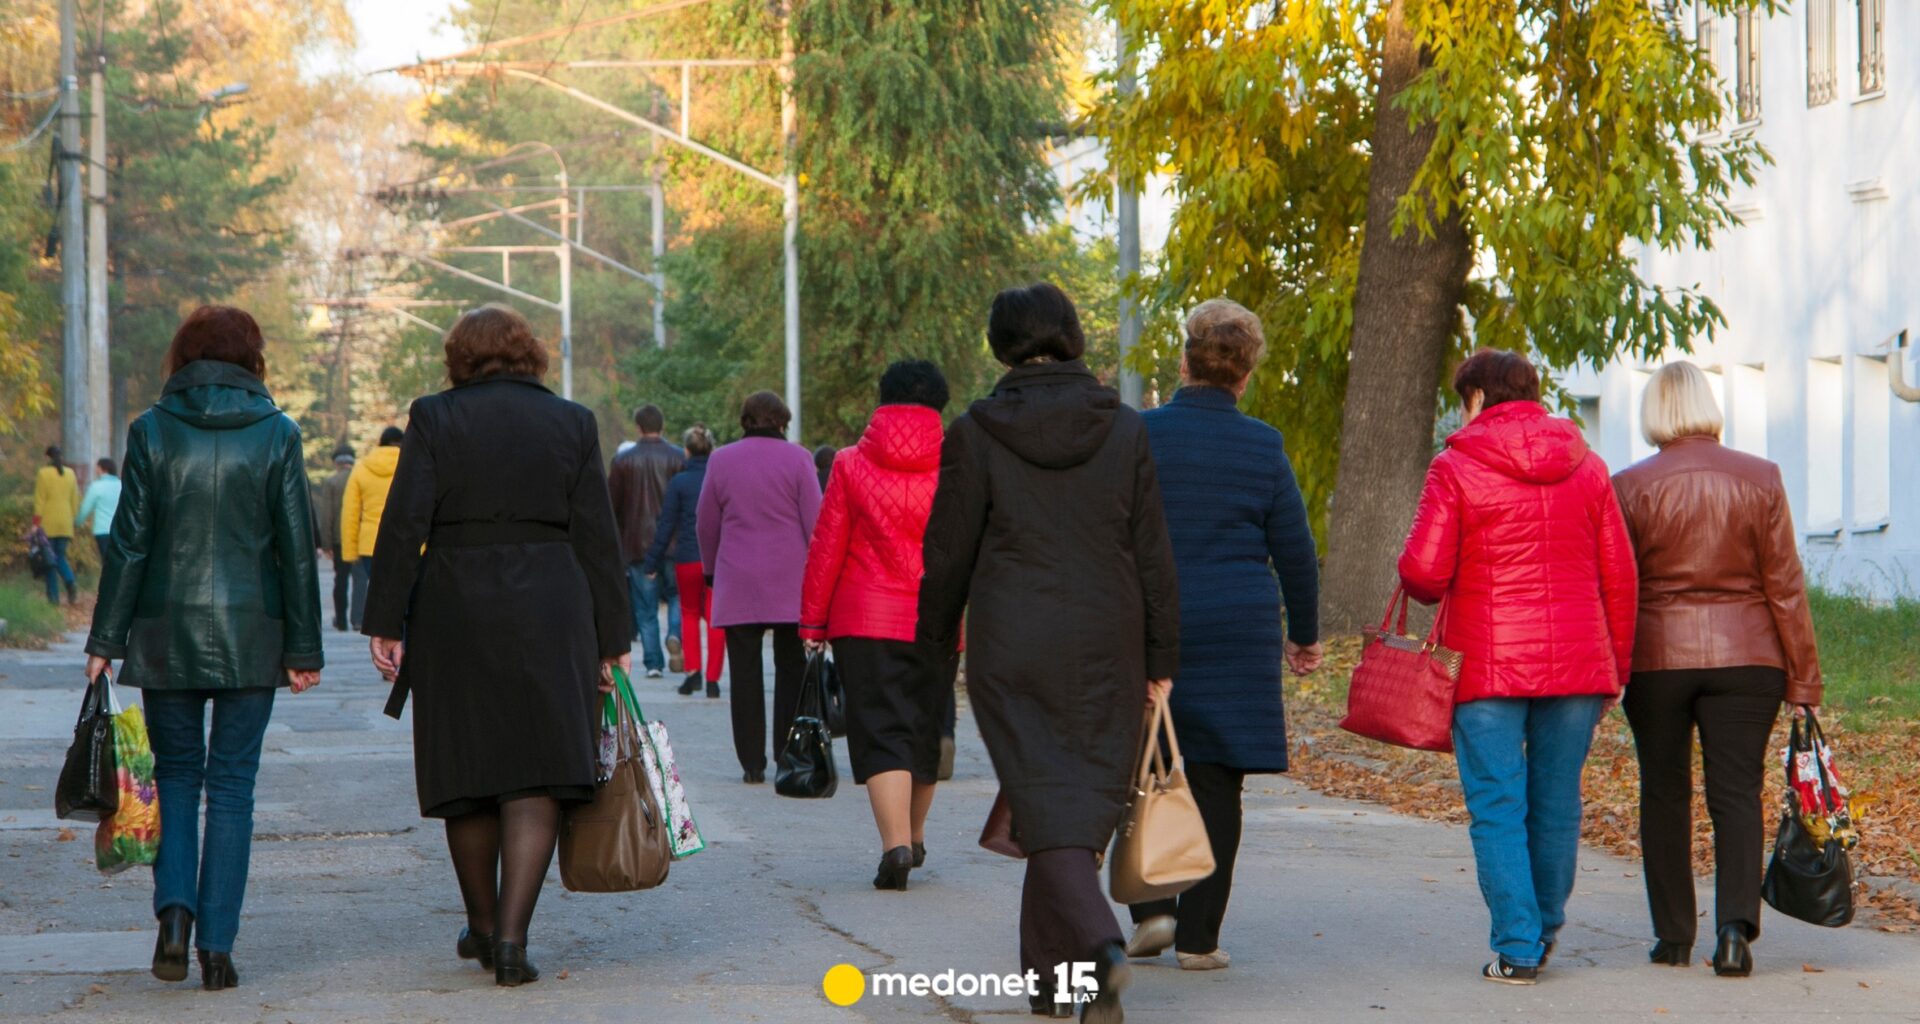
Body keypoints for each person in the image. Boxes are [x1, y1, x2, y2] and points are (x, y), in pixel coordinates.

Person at [917, 282, 1179, 1022]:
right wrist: (1161, 657)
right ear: (1070, 334)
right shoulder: (1124, 428)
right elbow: (1153, 555)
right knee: (1068, 807)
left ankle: (1098, 948)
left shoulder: (975, 432)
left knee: (1045, 804)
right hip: (1109, 641)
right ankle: (1061, 986)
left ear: (1001, 343)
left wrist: (932, 648)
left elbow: (948, 555)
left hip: (1013, 644)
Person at [361, 304, 630, 987]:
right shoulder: (572, 422)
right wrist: (612, 639)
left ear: (460, 357)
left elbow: (404, 523)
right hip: (552, 602)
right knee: (537, 767)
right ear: (528, 353)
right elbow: (598, 538)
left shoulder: (435, 417)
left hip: (456, 603)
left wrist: (385, 620)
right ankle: (512, 939)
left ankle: (482, 926)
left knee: (468, 768)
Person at [81, 305, 324, 991]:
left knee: (178, 778)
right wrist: (303, 648)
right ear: (253, 358)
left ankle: (175, 918)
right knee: (233, 787)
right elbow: (296, 550)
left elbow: (129, 544)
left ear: (182, 357)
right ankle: (217, 949)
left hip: (168, 635)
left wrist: (105, 640)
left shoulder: (152, 430)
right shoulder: (279, 433)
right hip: (252, 634)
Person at [1398, 348, 1637, 985]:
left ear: (1477, 397)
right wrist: (1618, 666)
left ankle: (1518, 945)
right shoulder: (1589, 467)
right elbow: (1620, 575)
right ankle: (1543, 929)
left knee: (1498, 804)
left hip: (1487, 664)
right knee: (1557, 800)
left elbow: (1423, 575)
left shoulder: (1454, 466)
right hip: (1579, 663)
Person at [1123, 298, 1322, 972]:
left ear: (1184, 364)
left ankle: (1152, 909)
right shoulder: (1263, 444)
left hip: (1149, 620)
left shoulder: (1138, 434)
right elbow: (1295, 550)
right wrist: (1305, 634)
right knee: (1216, 781)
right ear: (1245, 375)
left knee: (1145, 764)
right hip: (1236, 626)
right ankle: (1199, 939)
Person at [1612, 361, 1823, 978]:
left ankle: (1673, 936)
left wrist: (1610, 669)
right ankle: (1734, 933)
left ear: (1655, 412)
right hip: (1748, 656)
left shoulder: (1629, 486)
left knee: (1664, 791)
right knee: (1736, 793)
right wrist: (1803, 678)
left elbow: (1618, 588)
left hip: (1657, 658)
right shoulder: (1761, 477)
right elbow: (1785, 586)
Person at [800, 360, 950, 890]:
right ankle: (915, 833)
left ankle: (896, 847)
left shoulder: (848, 464)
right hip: (937, 617)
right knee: (925, 728)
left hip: (863, 619)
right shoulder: (957, 464)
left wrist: (812, 623)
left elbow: (827, 546)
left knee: (882, 729)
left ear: (883, 400)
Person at [698, 391, 821, 784]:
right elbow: (815, 522)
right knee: (791, 669)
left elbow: (706, 522)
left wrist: (711, 570)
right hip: (790, 581)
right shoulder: (799, 459)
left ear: (745, 420)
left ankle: (752, 762)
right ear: (782, 421)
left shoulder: (721, 460)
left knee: (745, 674)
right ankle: (787, 752)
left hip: (738, 579)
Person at [643, 424, 724, 697]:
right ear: (711, 449)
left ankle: (693, 673)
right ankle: (713, 681)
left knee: (688, 613)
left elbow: (666, 525)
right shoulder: (719, 479)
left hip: (688, 557)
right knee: (714, 617)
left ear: (686, 451)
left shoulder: (679, 482)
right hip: (717, 558)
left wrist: (652, 561)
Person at [609, 404, 686, 678]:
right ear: (662, 426)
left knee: (645, 606)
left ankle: (653, 663)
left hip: (637, 543)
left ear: (638, 427)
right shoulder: (678, 457)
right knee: (677, 595)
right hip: (675, 541)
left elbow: (613, 505)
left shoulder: (623, 461)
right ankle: (675, 634)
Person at [341, 427, 401, 630]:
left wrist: (350, 551)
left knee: (379, 591)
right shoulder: (411, 464)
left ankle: (382, 631)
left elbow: (350, 513)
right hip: (403, 541)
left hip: (370, 544)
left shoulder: (361, 469)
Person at [312, 445, 354, 631]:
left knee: (341, 579)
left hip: (340, 538)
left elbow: (327, 513)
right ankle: (359, 617)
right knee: (362, 580)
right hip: (361, 537)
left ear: (336, 463)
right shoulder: (360, 476)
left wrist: (326, 543)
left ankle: (341, 620)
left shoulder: (332, 481)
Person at [32, 445, 80, 604]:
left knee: (49, 560)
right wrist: (73, 519)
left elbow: (39, 501)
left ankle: (53, 598)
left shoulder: (43, 473)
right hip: (65, 522)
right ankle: (70, 580)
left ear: (48, 457)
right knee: (60, 556)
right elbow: (75, 500)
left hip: (47, 523)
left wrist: (35, 523)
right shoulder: (70, 474)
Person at [76, 457, 123, 563]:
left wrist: (77, 522)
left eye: (97, 467)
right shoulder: (121, 485)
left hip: (102, 530)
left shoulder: (96, 486)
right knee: (118, 561)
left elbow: (85, 509)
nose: (95, 470)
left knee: (106, 561)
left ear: (102, 468)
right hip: (120, 530)